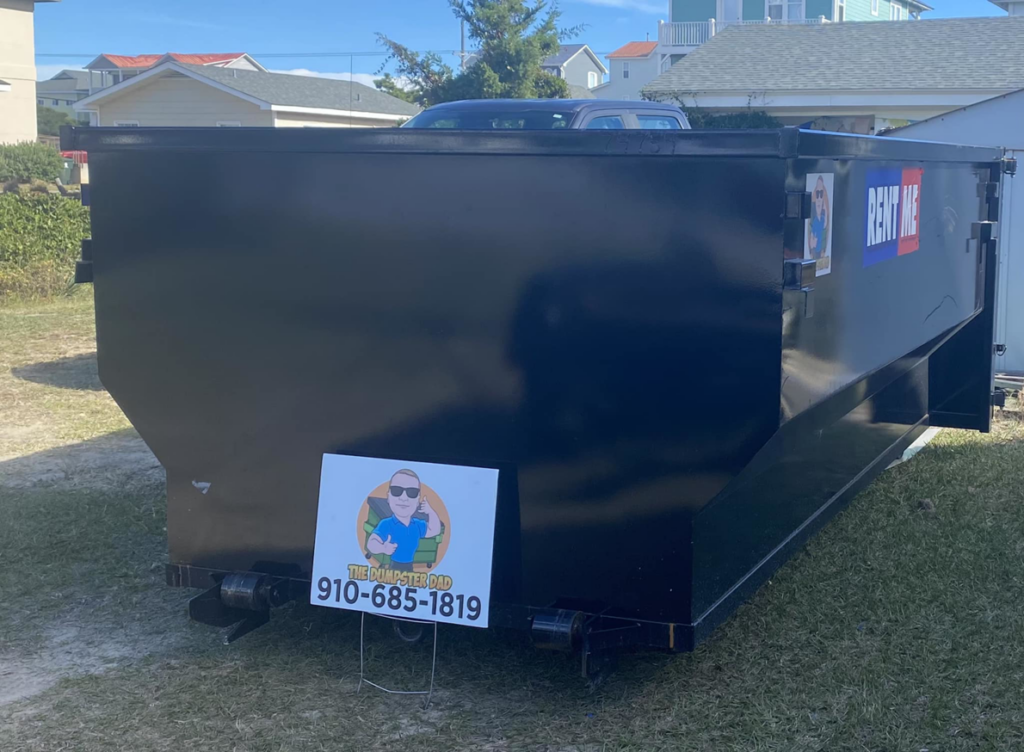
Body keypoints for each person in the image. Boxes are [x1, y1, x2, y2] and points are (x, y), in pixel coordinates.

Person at [366, 469, 441, 571]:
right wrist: (383, 548)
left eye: (412, 492)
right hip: (394, 567)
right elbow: (371, 543)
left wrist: (430, 511)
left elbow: (435, 530)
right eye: (397, 490)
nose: (404, 498)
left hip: (409, 567)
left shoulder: (417, 525)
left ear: (418, 500)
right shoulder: (387, 524)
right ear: (388, 497)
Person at [808, 176, 830, 265]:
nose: (819, 198)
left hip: (819, 249)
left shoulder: (823, 219)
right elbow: (811, 238)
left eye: (821, 194)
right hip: (815, 249)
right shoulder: (814, 220)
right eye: (817, 194)